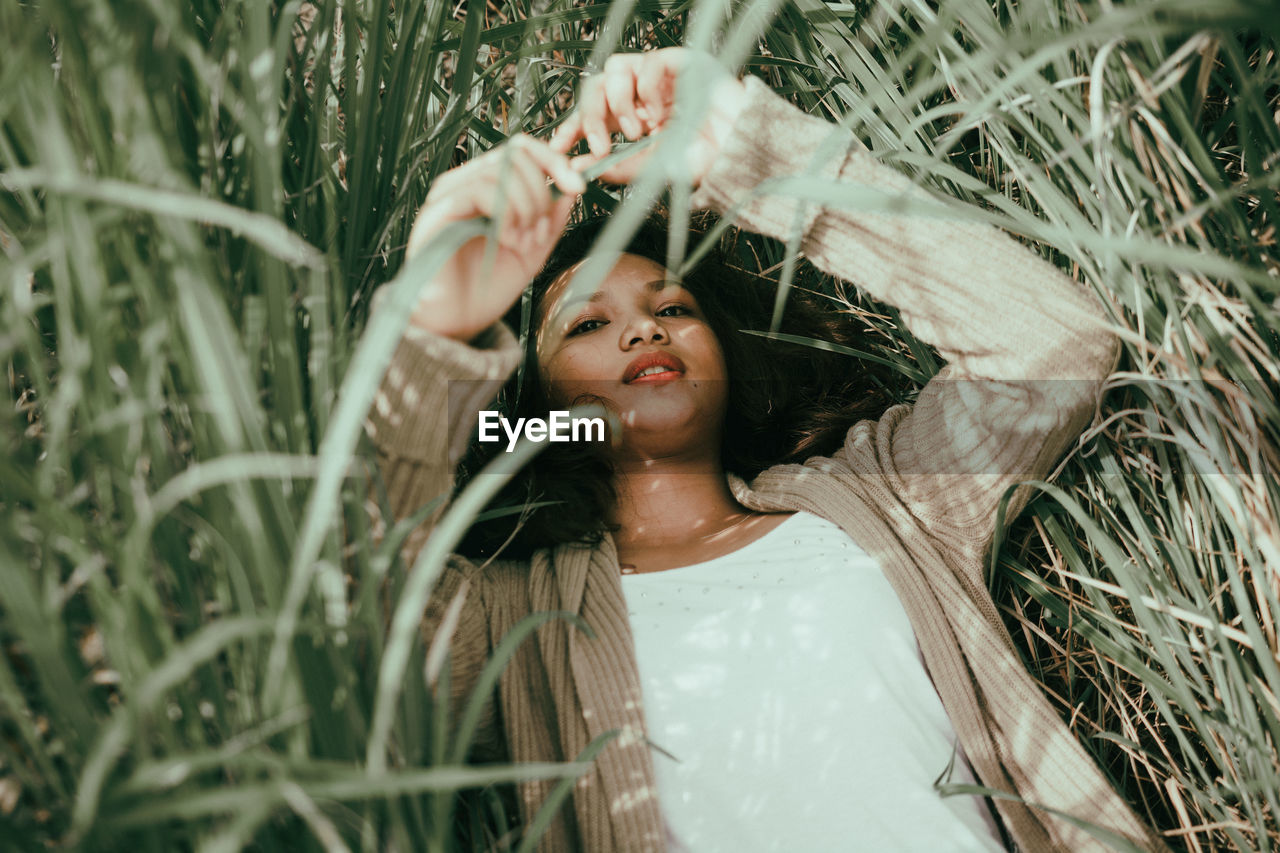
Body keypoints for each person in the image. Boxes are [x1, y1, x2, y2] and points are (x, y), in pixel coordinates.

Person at [367, 48, 1167, 852]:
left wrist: (757, 154)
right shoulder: (513, 615)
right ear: (540, 406)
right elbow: (352, 644)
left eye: (671, 307)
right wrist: (430, 329)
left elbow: (1053, 347)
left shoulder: (886, 497)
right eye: (586, 325)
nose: (643, 329)